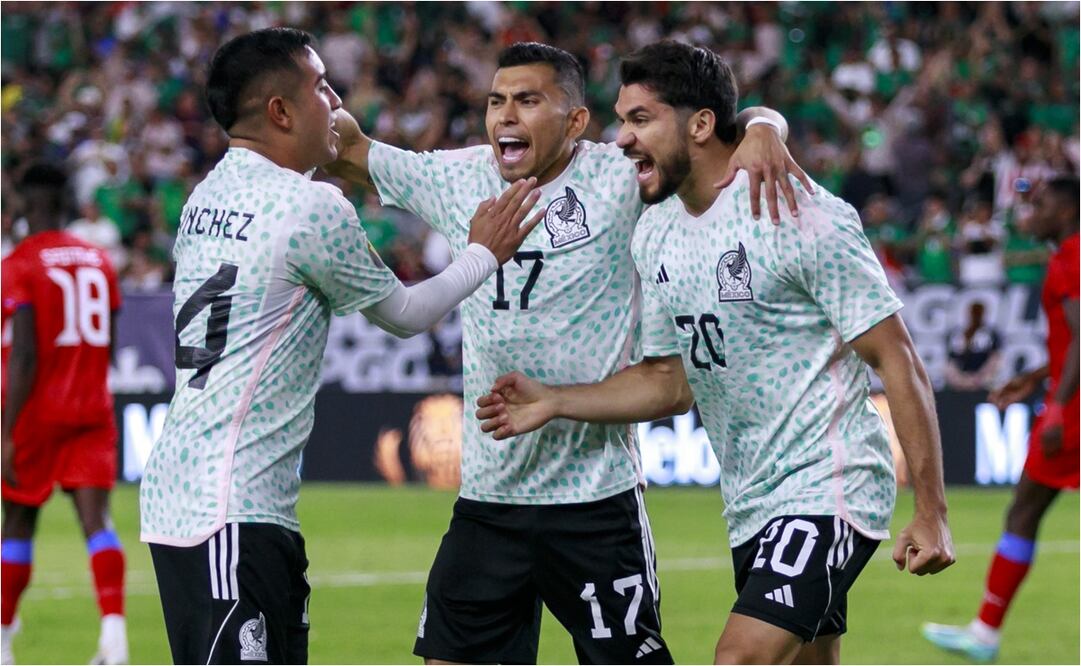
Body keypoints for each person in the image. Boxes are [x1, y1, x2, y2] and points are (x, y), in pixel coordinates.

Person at [327, 41, 811, 663]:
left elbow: (711, 131)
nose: (506, 115)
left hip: (596, 502)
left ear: (576, 120)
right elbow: (351, 150)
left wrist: (767, 125)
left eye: (528, 100)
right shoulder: (456, 177)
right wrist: (323, 105)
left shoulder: (618, 175)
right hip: (490, 499)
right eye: (497, 100)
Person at [475, 41, 956, 665]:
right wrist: (557, 401)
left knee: (737, 659)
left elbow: (897, 358)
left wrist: (932, 511)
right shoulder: (656, 233)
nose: (622, 139)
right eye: (622, 120)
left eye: (641, 119)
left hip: (828, 484)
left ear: (701, 124)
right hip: (750, 501)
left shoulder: (796, 213)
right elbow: (670, 383)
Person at [138, 28, 544, 665]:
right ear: (281, 112)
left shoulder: (204, 196)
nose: (339, 103)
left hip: (194, 493)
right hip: (231, 504)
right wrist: (482, 254)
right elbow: (406, 315)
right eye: (322, 87)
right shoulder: (309, 207)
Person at [922, 176, 1078, 663]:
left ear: (1069, 210)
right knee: (1024, 510)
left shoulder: (1070, 258)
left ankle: (986, 633)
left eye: (1044, 204)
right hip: (1064, 401)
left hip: (1071, 414)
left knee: (1024, 510)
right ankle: (984, 631)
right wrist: (1033, 378)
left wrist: (1053, 406)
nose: (1033, 211)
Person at [1, 163, 128, 665]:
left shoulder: (20, 263)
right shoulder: (100, 260)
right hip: (92, 408)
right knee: (97, 522)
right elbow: (112, 343)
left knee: (17, 523)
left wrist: (8, 432)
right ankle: (114, 638)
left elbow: (25, 353)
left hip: (37, 412)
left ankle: (4, 641)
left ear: (29, 205)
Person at [944, 301, 1003, 392]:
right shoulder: (957, 334)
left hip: (982, 384)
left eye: (978, 312)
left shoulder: (990, 334)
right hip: (958, 384)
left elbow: (995, 359)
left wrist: (981, 378)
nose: (975, 315)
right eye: (973, 312)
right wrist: (959, 379)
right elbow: (950, 361)